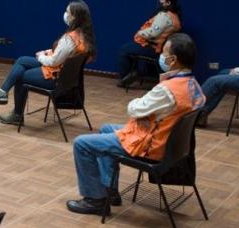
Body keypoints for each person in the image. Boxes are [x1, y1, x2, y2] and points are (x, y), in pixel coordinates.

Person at [66, 33, 205, 216]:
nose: (160, 55)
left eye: (164, 52)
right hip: (169, 144)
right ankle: (110, 191)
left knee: (81, 144)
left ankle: (95, 200)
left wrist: (139, 99)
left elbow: (134, 109)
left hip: (151, 147)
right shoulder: (193, 85)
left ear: (172, 60)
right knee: (106, 128)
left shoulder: (167, 91)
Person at [0, 0, 96, 126]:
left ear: (75, 17)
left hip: (55, 77)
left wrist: (41, 56)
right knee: (22, 60)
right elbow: (64, 55)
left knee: (20, 76)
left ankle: (16, 114)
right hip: (65, 76)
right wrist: (47, 51)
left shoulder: (69, 39)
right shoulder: (83, 36)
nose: (65, 14)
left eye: (67, 12)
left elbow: (53, 61)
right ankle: (2, 92)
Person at [117, 0, 182, 88]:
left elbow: (153, 33)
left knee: (124, 50)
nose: (159, 1)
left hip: (153, 48)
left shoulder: (164, 16)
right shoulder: (175, 17)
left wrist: (140, 33)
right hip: (162, 49)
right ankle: (132, 74)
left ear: (168, 3)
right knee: (130, 49)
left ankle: (124, 79)